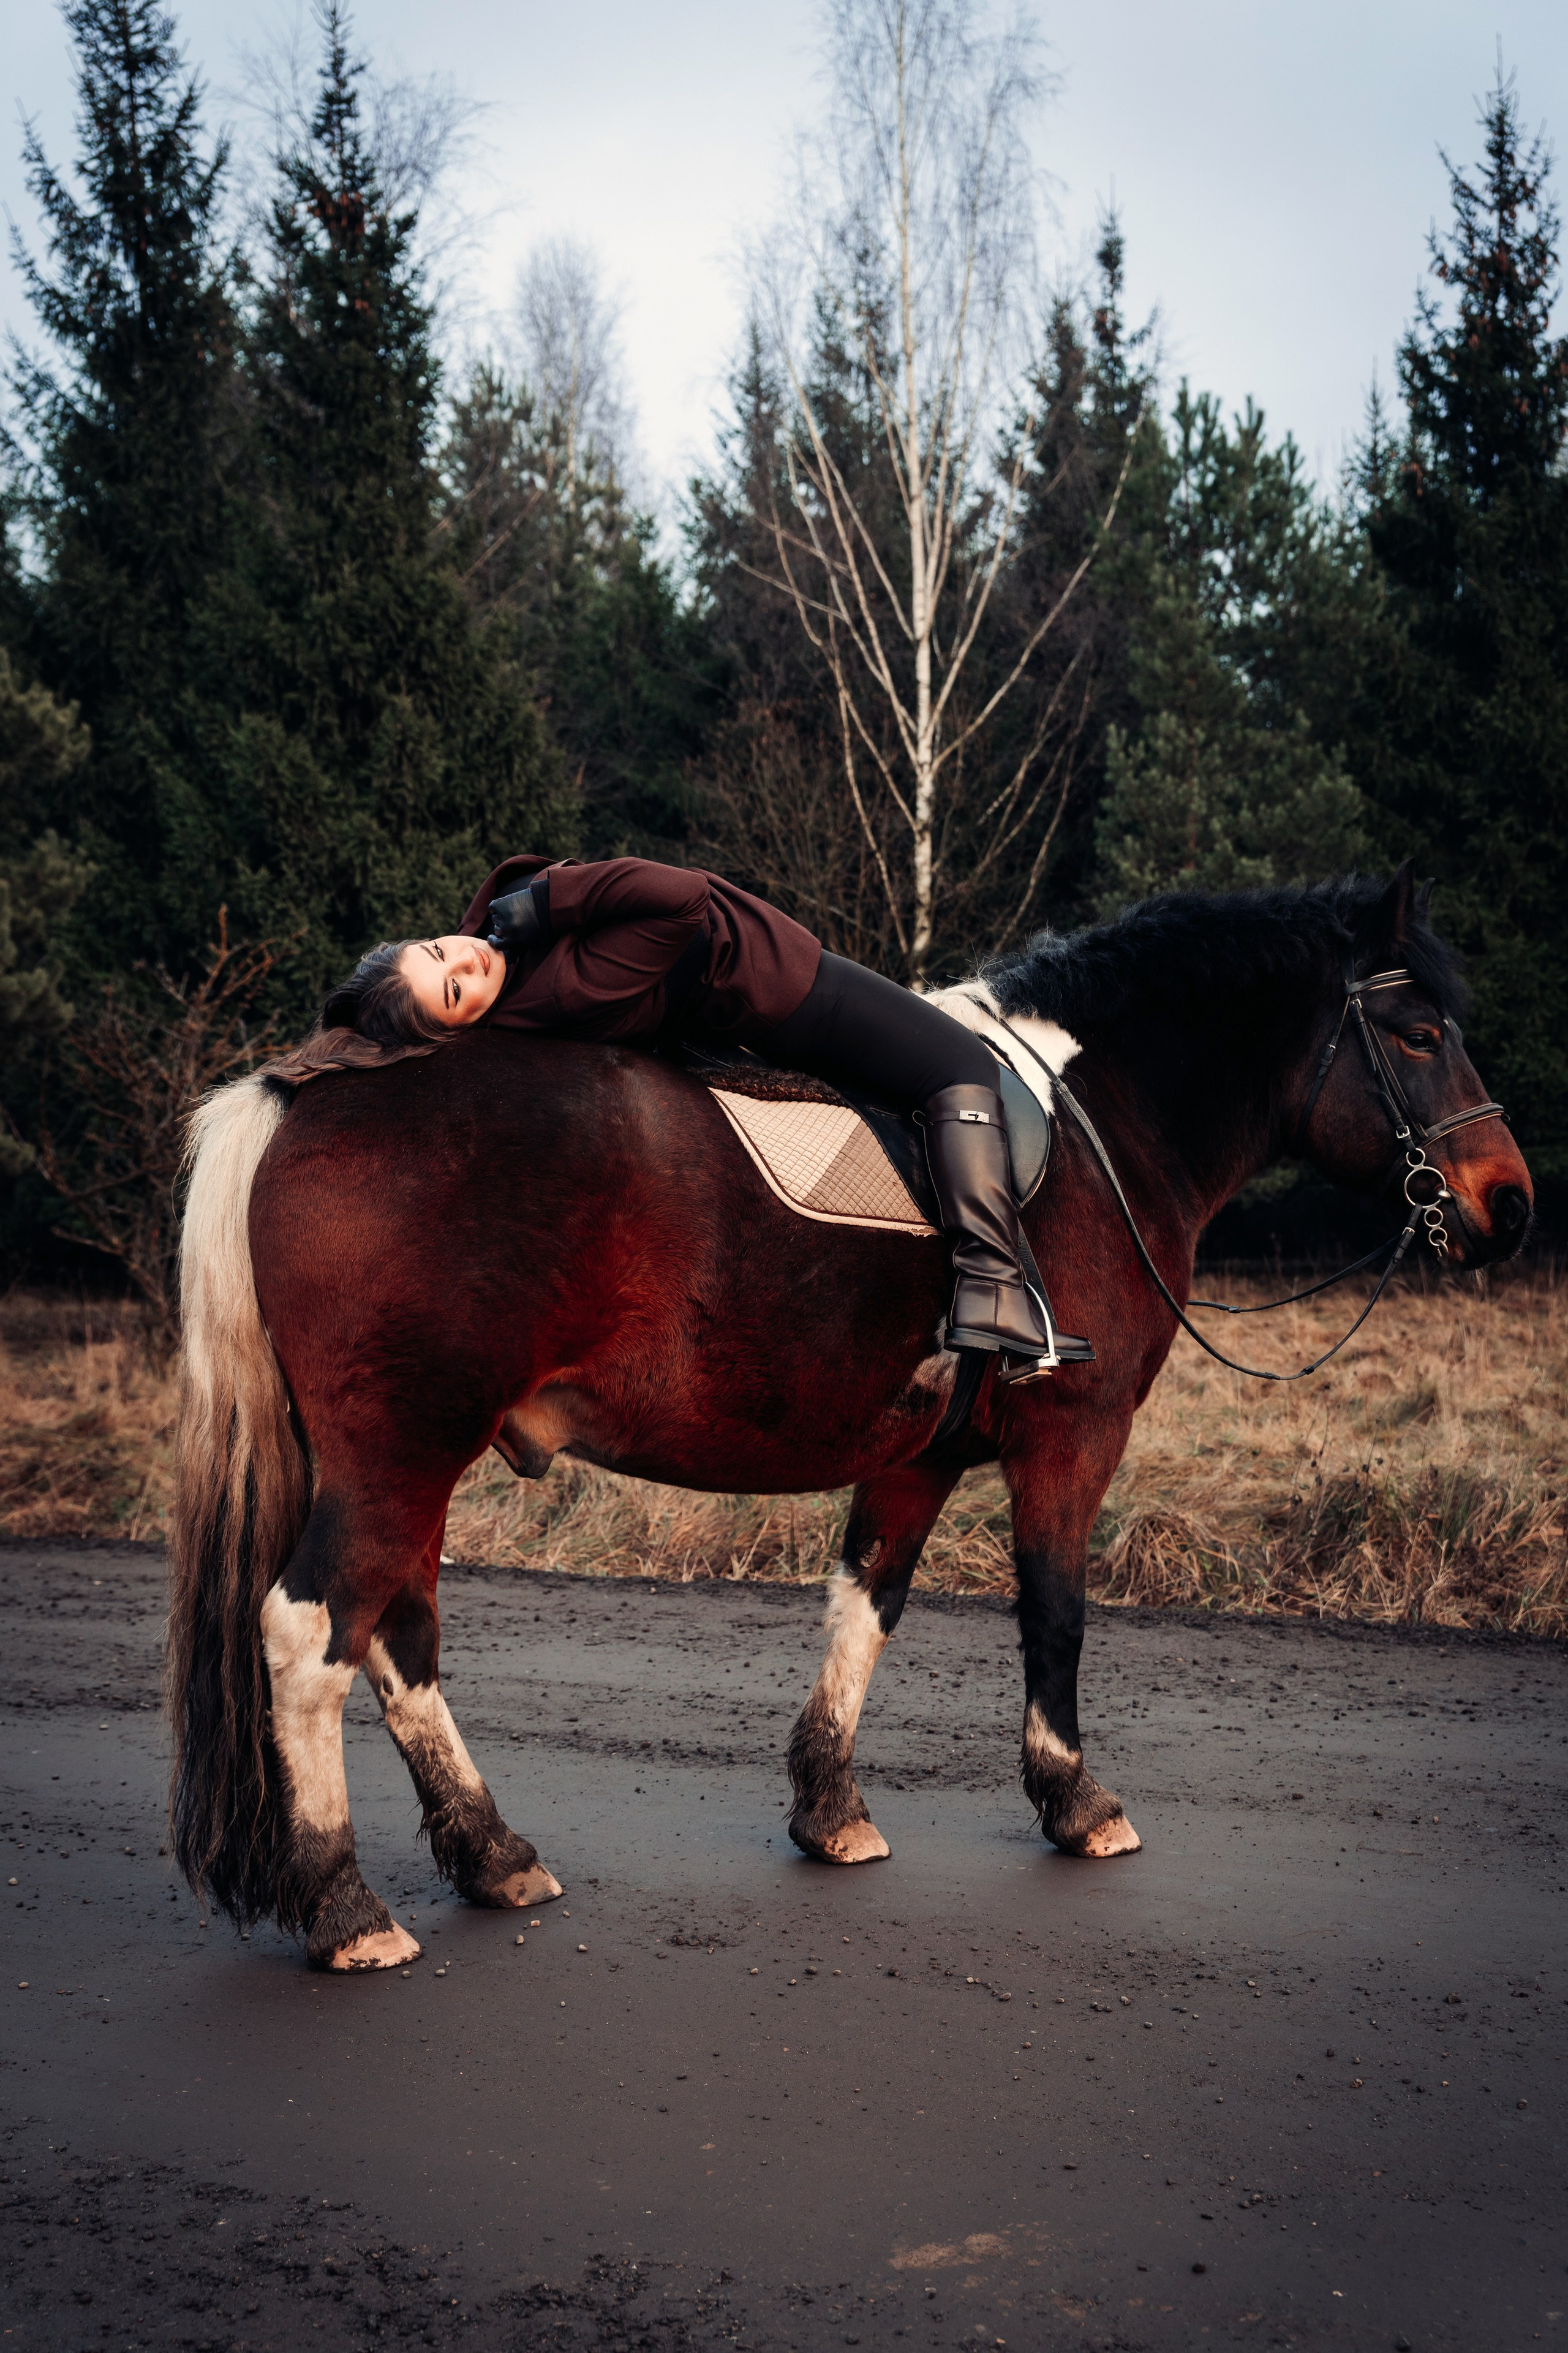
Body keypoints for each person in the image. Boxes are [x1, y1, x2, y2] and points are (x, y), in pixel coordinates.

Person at [320, 854, 1082, 1380]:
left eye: (437, 951)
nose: (464, 961)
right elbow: (683, 896)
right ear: (462, 1027)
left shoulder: (510, 956)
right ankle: (991, 1286)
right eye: (453, 994)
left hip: (754, 987)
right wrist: (551, 901)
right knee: (959, 1067)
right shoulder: (562, 985)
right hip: (785, 985)